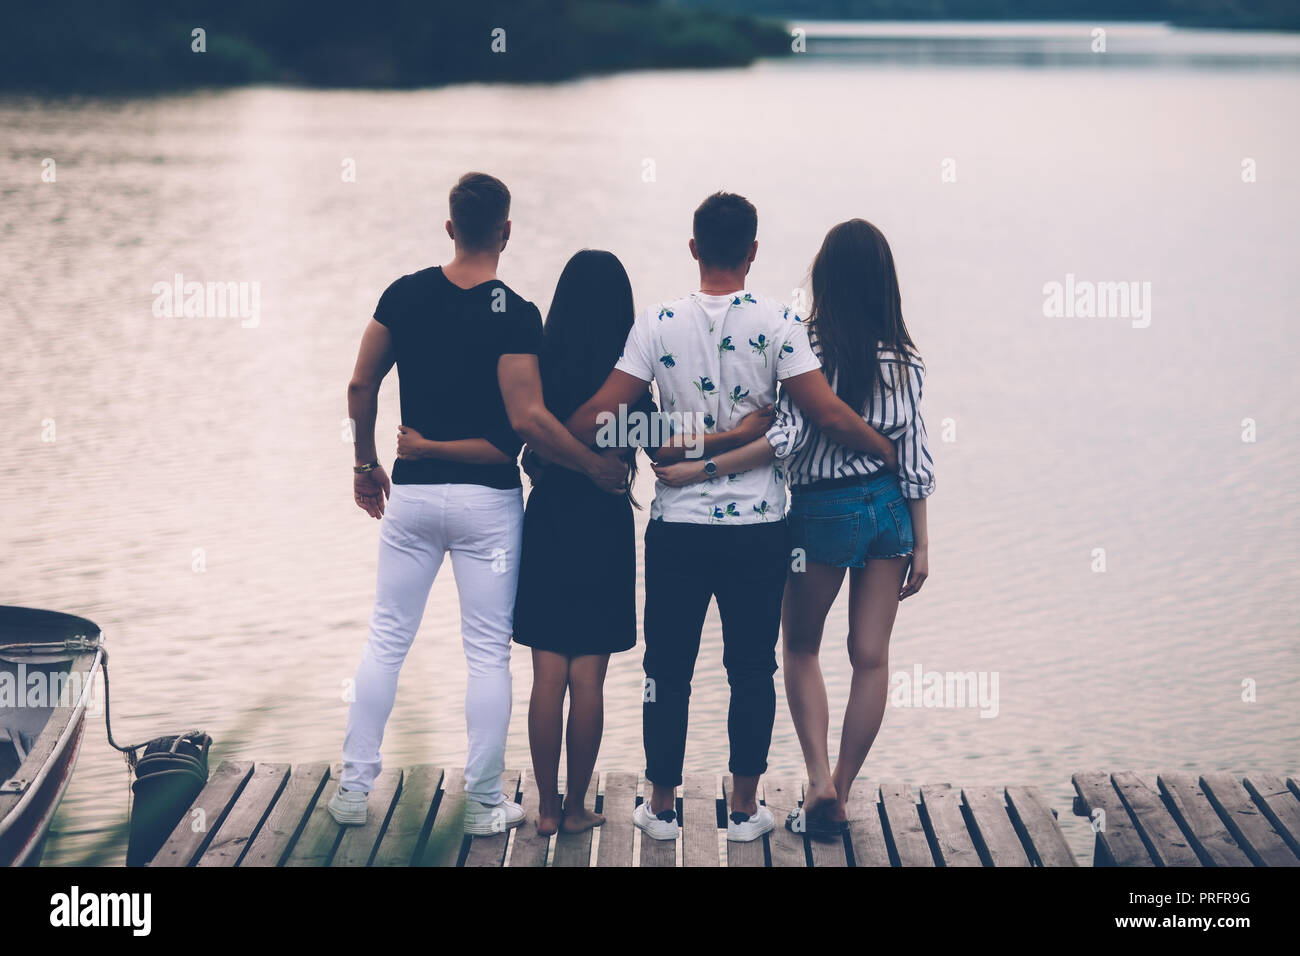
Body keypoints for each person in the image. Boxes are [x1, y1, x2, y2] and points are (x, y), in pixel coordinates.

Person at [565, 193, 898, 843]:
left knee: (668, 668)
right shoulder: (779, 324)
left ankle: (660, 807)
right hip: (758, 529)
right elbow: (826, 415)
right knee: (753, 667)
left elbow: (599, 419)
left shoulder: (656, 324)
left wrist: (657, 442)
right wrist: (885, 450)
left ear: (693, 249)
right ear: (752, 251)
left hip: (677, 529)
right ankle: (745, 810)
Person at [329, 172, 627, 835]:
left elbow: (359, 384)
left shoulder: (403, 296)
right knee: (487, 656)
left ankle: (352, 791)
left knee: (386, 641)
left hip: (411, 495)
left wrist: (363, 460)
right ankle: (486, 804)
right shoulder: (515, 314)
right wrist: (594, 468)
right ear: (507, 231)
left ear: (449, 227)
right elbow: (527, 421)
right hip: (488, 505)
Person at [655, 218, 934, 838]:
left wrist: (701, 465)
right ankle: (845, 786)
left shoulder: (810, 347)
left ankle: (818, 782)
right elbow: (914, 456)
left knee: (801, 647)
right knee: (871, 658)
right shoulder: (907, 360)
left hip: (821, 512)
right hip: (889, 513)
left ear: (825, 280)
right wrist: (922, 541)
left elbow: (785, 439)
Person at [510, 250, 655, 836]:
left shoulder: (541, 366)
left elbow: (530, 454)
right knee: (587, 677)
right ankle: (575, 810)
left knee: (548, 673)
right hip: (603, 524)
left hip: (548, 522)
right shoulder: (632, 380)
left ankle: (544, 809)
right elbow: (656, 450)